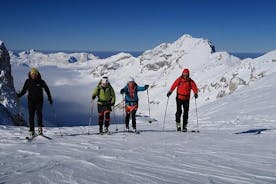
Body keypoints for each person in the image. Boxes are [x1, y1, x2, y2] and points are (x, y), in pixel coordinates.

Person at [17, 68, 53, 136]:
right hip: (31, 101)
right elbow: (24, 90)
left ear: (37, 74)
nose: (33, 75)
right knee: (31, 116)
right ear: (30, 74)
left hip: (39, 101)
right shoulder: (28, 81)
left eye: (35, 74)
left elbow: (47, 89)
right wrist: (19, 95)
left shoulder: (41, 81)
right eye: (32, 74)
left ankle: (40, 130)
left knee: (39, 115)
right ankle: (31, 130)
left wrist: (49, 98)